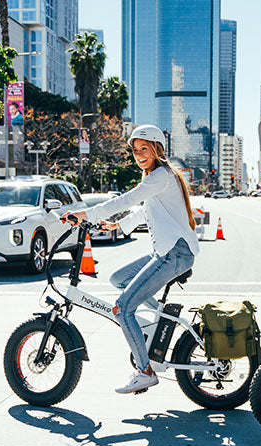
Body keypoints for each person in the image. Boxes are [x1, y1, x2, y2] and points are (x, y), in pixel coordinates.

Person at [61, 124, 199, 394]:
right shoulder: (158, 177)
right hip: (168, 252)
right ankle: (157, 317)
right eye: (135, 151)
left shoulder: (160, 175)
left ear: (157, 149)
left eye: (144, 149)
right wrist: (118, 227)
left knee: (122, 308)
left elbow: (126, 200)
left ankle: (145, 371)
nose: (138, 155)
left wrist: (85, 214)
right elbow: (143, 207)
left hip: (174, 253)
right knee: (119, 278)